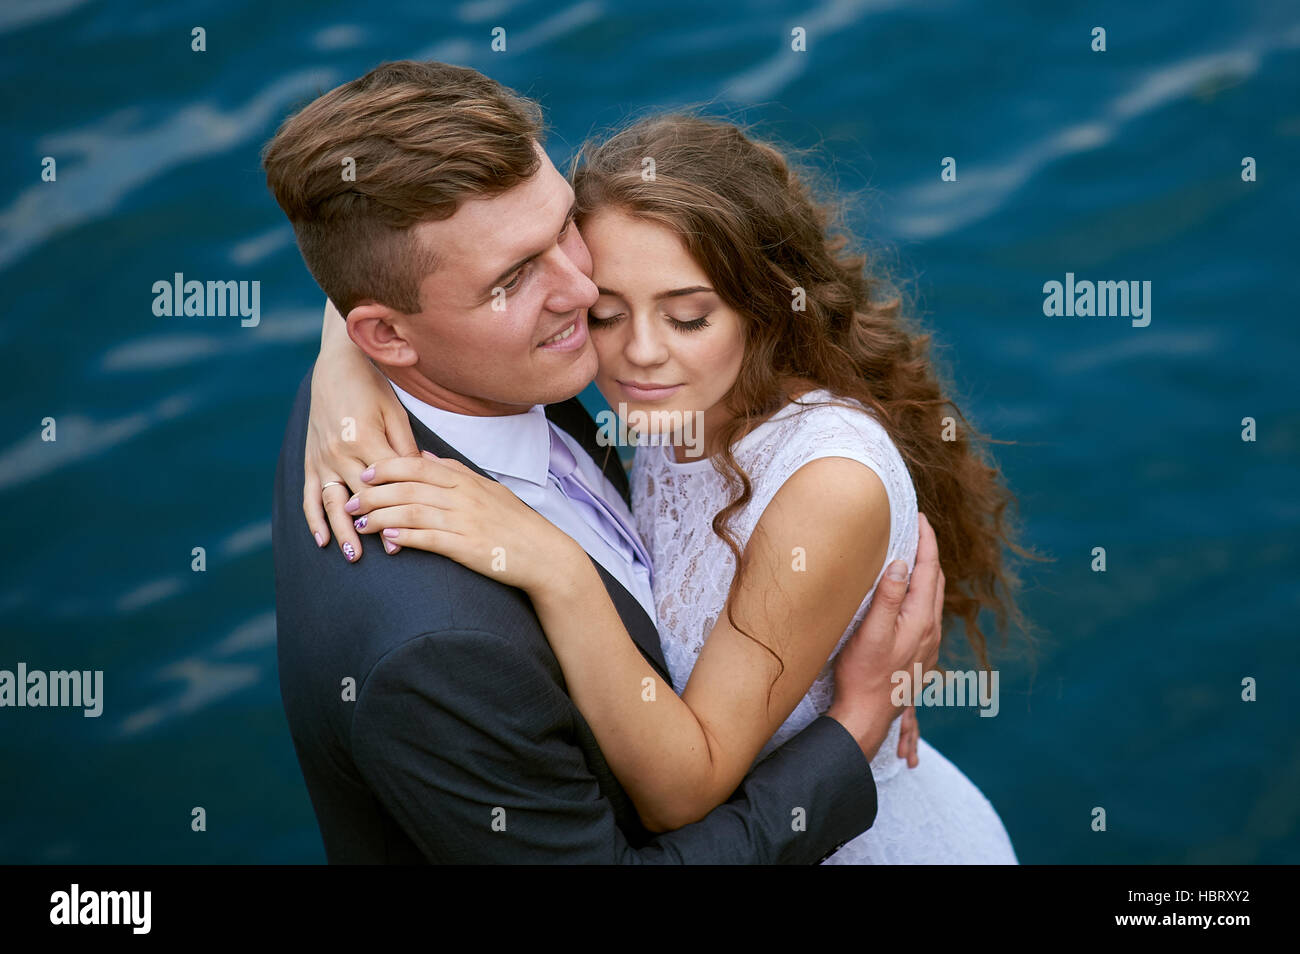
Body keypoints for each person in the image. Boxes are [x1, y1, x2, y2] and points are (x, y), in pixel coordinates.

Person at [302, 101, 1034, 862]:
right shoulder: (672, 399)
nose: (639, 355)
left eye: (688, 318)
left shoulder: (824, 485)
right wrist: (343, 368)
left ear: (763, 307)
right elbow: (424, 253)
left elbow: (684, 790)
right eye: (608, 314)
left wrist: (561, 571)